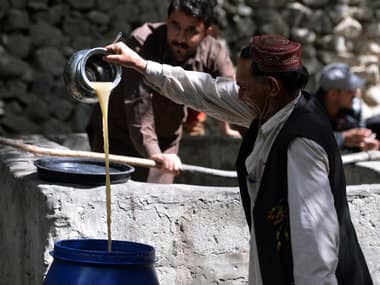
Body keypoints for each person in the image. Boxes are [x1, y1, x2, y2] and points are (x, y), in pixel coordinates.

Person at [102, 35, 373, 284]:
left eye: (243, 86)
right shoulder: (275, 108)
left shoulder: (301, 144)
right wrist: (143, 66)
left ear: (271, 86)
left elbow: (315, 246)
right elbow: (208, 91)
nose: (238, 93)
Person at [86, 0, 237, 183]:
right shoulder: (142, 41)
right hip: (117, 137)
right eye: (175, 25)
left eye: (192, 31)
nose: (180, 38)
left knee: (157, 202)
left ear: (207, 32)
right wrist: (155, 154)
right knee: (112, 196)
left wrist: (226, 128)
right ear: (167, 20)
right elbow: (138, 107)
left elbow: (231, 93)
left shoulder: (213, 51)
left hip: (166, 141)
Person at [315, 63, 380, 152]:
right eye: (350, 91)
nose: (355, 94)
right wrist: (342, 138)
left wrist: (364, 144)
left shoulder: (353, 110)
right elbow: (309, 141)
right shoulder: (309, 112)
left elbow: (358, 134)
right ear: (333, 94)